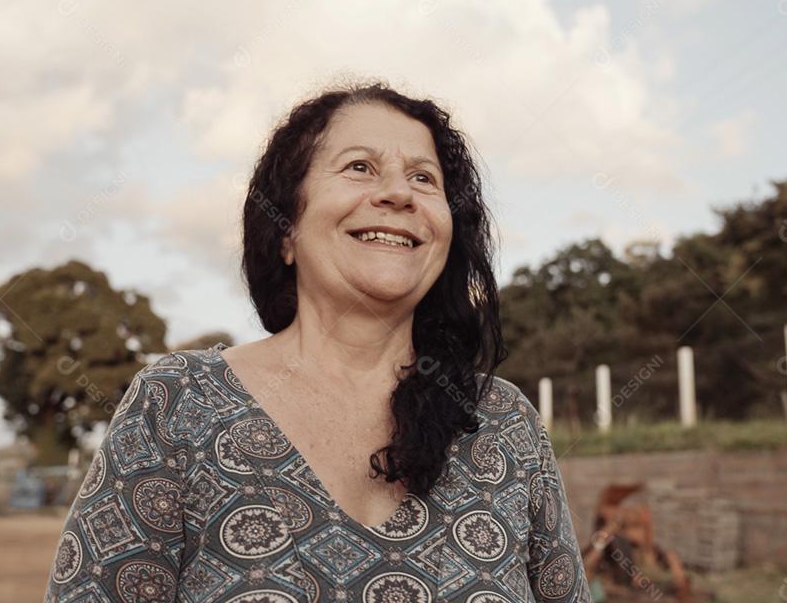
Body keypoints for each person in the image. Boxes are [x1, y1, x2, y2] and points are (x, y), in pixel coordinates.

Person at [44, 81, 591, 602]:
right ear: (285, 229)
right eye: (360, 167)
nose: (399, 193)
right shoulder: (177, 404)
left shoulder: (502, 422)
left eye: (425, 179)